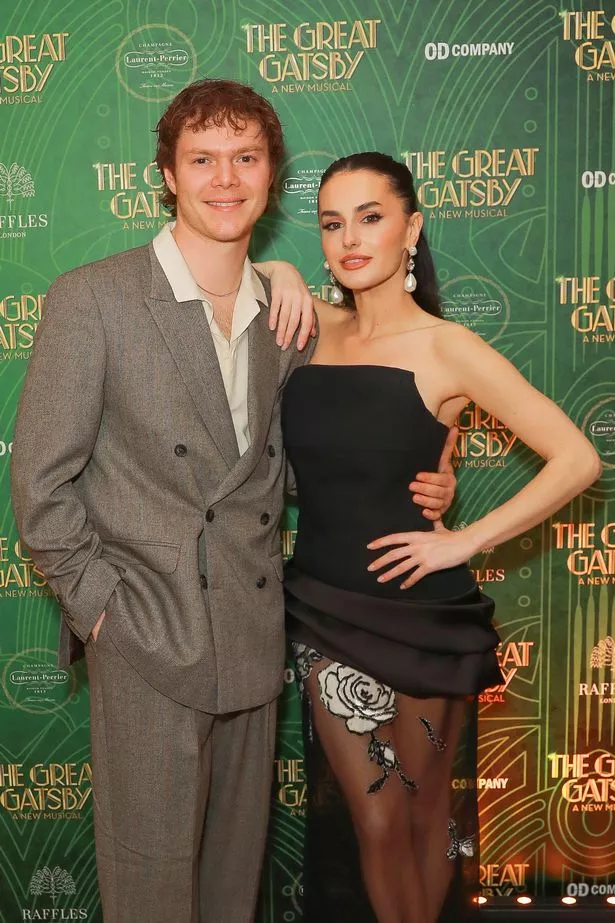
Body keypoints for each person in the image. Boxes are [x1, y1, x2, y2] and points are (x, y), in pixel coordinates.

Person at [9, 82, 454, 923]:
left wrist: (433, 473)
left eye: (245, 158)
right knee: (150, 889)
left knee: (229, 889)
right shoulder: (94, 298)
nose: (225, 178)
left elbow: (312, 456)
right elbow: (39, 483)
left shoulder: (287, 317)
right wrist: (101, 610)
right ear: (168, 177)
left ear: (271, 175)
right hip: (145, 637)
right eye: (202, 159)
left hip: (251, 639)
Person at [282, 151, 602, 923]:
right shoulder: (308, 327)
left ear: (411, 228)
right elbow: (242, 269)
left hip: (425, 614)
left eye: (371, 216)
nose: (349, 238)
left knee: (426, 821)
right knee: (378, 817)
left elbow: (577, 457)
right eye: (331, 222)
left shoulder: (447, 347)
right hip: (326, 608)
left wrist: (463, 541)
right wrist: (284, 276)